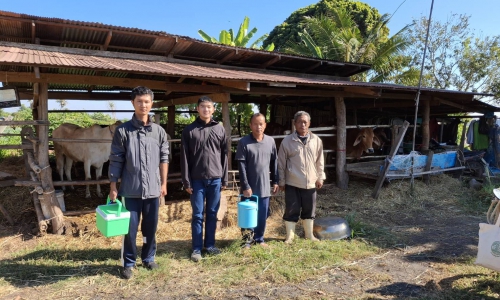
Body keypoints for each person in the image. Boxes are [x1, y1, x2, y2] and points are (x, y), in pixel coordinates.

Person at [108, 86, 169, 280]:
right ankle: (128, 263)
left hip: (153, 189)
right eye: (140, 101)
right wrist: (113, 185)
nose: (143, 105)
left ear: (152, 104)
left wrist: (164, 184)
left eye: (147, 101)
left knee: (150, 227)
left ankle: (149, 258)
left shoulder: (158, 131)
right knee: (130, 229)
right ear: (133, 103)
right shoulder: (123, 131)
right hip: (130, 190)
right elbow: (116, 159)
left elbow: (164, 159)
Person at [181, 96, 228, 262]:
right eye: (202, 107)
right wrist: (186, 181)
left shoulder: (220, 129)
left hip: (215, 178)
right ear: (197, 108)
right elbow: (185, 158)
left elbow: (224, 156)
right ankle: (196, 248)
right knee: (198, 215)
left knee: (213, 213)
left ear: (213, 109)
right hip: (196, 180)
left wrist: (225, 179)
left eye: (209, 107)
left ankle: (210, 245)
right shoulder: (189, 130)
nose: (206, 109)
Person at [277, 111, 325, 243]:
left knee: (309, 209)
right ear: (294, 123)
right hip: (292, 181)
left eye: (305, 122)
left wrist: (320, 177)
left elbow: (320, 161)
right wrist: (282, 181)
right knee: (292, 208)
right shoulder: (287, 141)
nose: (302, 124)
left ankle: (309, 235)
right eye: (299, 122)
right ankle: (290, 236)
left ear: (309, 123)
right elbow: (280, 163)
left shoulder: (316, 140)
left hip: (310, 182)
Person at [235, 113, 279, 248]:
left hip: (265, 186)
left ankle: (259, 239)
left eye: (261, 124)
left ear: (265, 125)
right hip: (250, 187)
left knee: (263, 214)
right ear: (250, 125)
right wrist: (246, 185)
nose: (258, 127)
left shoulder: (270, 141)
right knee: (248, 212)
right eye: (255, 124)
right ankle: (247, 240)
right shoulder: (244, 142)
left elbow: (274, 163)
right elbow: (241, 166)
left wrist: (275, 181)